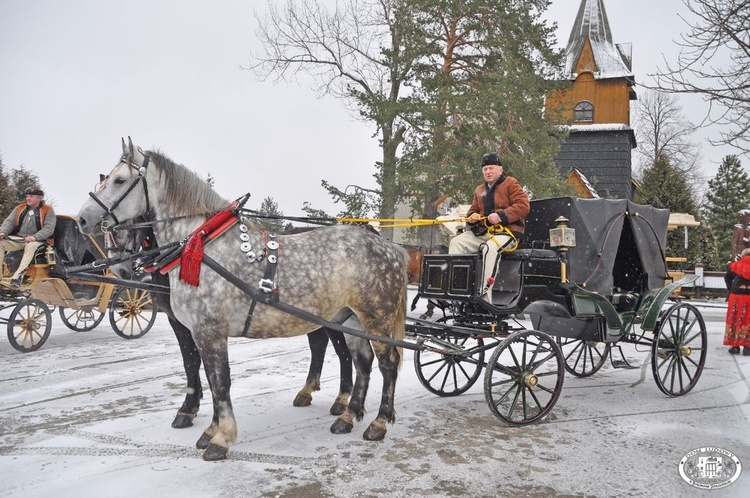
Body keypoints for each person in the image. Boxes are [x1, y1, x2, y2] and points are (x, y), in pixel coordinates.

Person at [449, 152, 530, 303]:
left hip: (508, 233)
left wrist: (501, 216)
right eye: (485, 169)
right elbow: (471, 212)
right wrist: (472, 217)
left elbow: (524, 206)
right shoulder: (479, 190)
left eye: (491, 168)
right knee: (456, 243)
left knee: (490, 248)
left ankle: (485, 295)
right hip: (484, 233)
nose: (488, 172)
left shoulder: (511, 183)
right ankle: (458, 290)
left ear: (500, 170)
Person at [0, 186, 56, 288]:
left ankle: (18, 275)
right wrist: (3, 232)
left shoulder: (48, 210)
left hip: (40, 241)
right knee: (1, 243)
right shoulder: (20, 208)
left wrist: (35, 237)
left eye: (31, 196)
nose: (28, 198)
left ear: (39, 198)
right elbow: (9, 222)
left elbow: (49, 229)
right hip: (20, 239)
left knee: (31, 246)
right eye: (27, 196)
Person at [724, 247, 750, 355]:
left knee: (735, 318)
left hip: (735, 296)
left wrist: (731, 289)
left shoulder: (735, 265)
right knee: (747, 319)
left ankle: (734, 346)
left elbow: (727, 278)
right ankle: (747, 347)